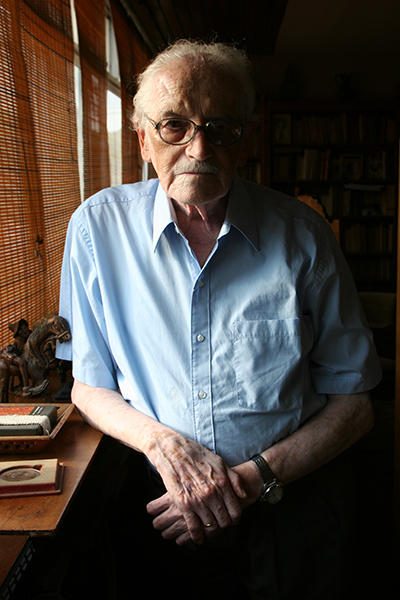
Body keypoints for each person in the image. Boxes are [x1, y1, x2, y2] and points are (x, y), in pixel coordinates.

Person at [57, 40, 381, 599]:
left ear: (246, 139)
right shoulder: (96, 230)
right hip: (165, 508)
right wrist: (164, 446)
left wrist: (251, 480)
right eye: (174, 126)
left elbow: (355, 406)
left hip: (292, 506)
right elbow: (89, 385)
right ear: (143, 139)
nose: (200, 147)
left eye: (221, 128)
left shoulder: (304, 236)